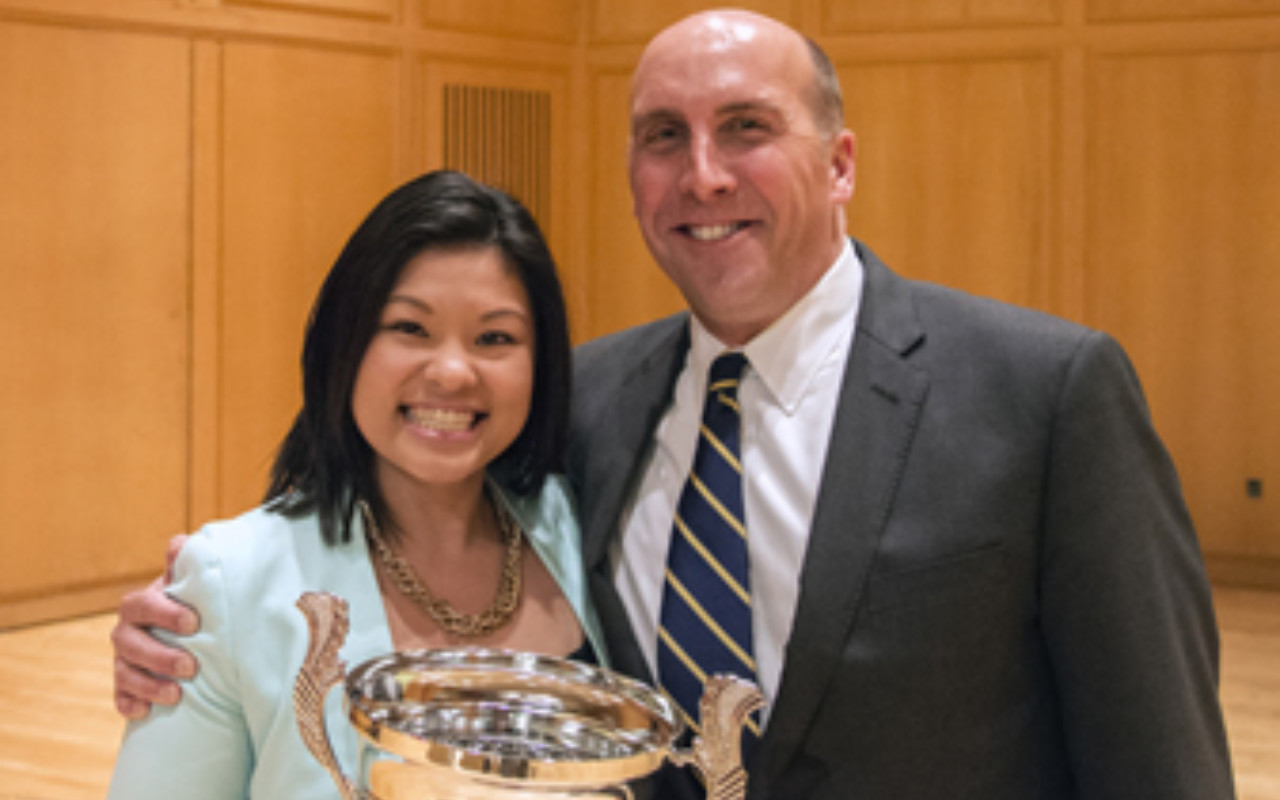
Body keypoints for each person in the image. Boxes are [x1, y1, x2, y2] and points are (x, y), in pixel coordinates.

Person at [110, 9, 1235, 800]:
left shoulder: (1042, 391)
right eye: (662, 137)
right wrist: (177, 629)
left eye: (745, 126)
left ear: (839, 160)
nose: (701, 174)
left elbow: (1159, 757)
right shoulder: (583, 406)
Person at [106, 169, 605, 799]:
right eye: (409, 328)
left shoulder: (581, 525)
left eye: (495, 338)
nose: (452, 371)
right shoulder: (232, 581)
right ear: (345, 343)